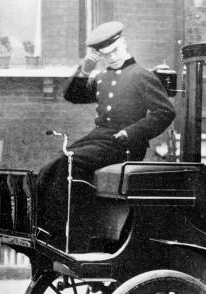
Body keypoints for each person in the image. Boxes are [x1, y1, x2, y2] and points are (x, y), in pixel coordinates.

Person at [36, 21, 175, 251]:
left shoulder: (141, 75)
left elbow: (165, 112)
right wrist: (86, 68)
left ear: (123, 44)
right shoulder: (103, 77)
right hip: (100, 138)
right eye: (105, 55)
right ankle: (47, 232)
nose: (111, 58)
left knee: (72, 162)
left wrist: (132, 132)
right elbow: (73, 95)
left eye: (114, 52)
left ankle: (78, 239)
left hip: (124, 144)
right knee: (51, 167)